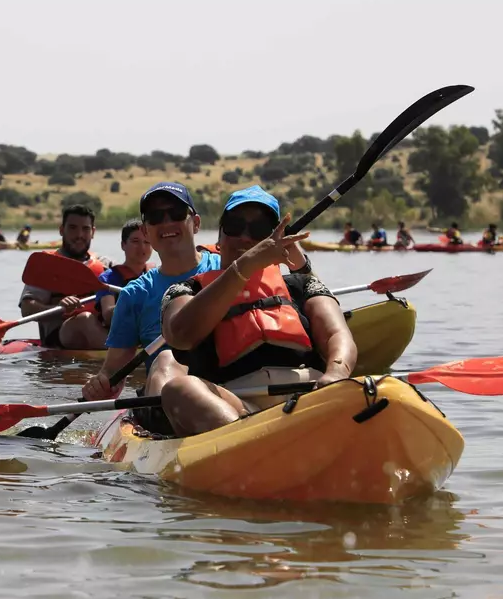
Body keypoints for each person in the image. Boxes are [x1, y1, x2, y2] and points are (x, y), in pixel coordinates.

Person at [82, 185, 317, 410]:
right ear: (145, 231)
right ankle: (173, 419)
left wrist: (296, 257)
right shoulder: (134, 294)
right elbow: (113, 374)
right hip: (173, 391)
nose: (167, 223)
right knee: (167, 357)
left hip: (233, 384)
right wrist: (101, 384)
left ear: (196, 223)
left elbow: (307, 290)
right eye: (155, 217)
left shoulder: (230, 264)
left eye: (176, 213)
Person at [147, 187, 357, 438]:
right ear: (220, 236)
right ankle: (249, 441)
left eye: (259, 230)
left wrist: (337, 372)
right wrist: (244, 266)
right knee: (178, 389)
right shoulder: (187, 290)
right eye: (235, 227)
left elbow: (337, 334)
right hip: (235, 404)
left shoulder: (302, 285)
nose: (245, 238)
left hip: (310, 395)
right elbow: (180, 336)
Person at [18, 204, 114, 350]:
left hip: (101, 331)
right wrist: (59, 308)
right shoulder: (46, 265)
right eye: (73, 228)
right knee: (84, 320)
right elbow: (27, 309)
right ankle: (119, 355)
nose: (79, 235)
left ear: (93, 232)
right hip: (58, 337)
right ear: (62, 230)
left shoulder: (106, 265)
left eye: (85, 229)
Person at [95, 219, 156, 330]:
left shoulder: (156, 274)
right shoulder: (108, 278)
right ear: (123, 245)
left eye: (147, 242)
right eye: (135, 241)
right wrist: (133, 301)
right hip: (121, 333)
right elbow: (108, 315)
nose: (142, 247)